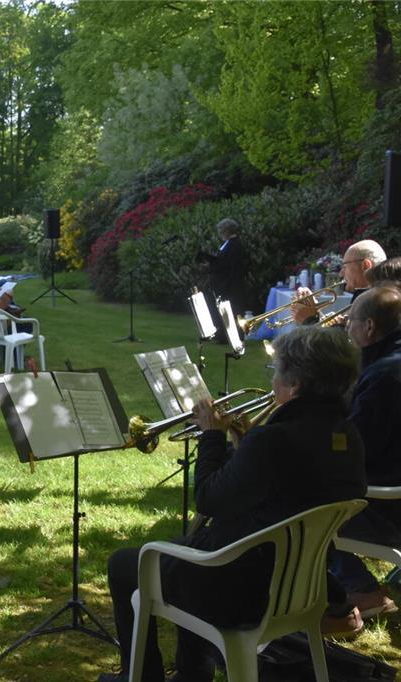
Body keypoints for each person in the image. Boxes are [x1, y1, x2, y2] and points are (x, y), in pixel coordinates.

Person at [98, 326, 366, 682]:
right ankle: (192, 673)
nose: (272, 381)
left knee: (123, 563)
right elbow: (288, 488)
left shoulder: (273, 440)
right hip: (303, 587)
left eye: (276, 372)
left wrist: (212, 435)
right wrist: (244, 450)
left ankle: (143, 676)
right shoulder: (347, 435)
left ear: (296, 385)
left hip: (242, 590)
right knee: (190, 546)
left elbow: (209, 499)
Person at [328, 284, 401, 620]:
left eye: (350, 322)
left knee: (295, 498)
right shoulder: (386, 366)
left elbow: (352, 450)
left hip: (386, 507)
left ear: (369, 326)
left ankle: (362, 588)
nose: (347, 328)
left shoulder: (385, 376)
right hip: (390, 487)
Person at [292, 239, 386, 325]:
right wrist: (316, 313)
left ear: (365, 266)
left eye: (345, 267)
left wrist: (309, 320)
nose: (341, 274)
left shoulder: (375, 303)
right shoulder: (369, 296)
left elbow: (347, 338)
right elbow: (340, 333)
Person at [197, 219, 248, 340]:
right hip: (226, 282)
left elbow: (226, 265)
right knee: (224, 309)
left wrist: (211, 266)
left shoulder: (234, 245)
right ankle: (222, 334)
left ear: (226, 230)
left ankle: (228, 336)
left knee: (231, 310)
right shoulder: (230, 244)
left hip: (229, 284)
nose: (220, 233)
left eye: (221, 230)